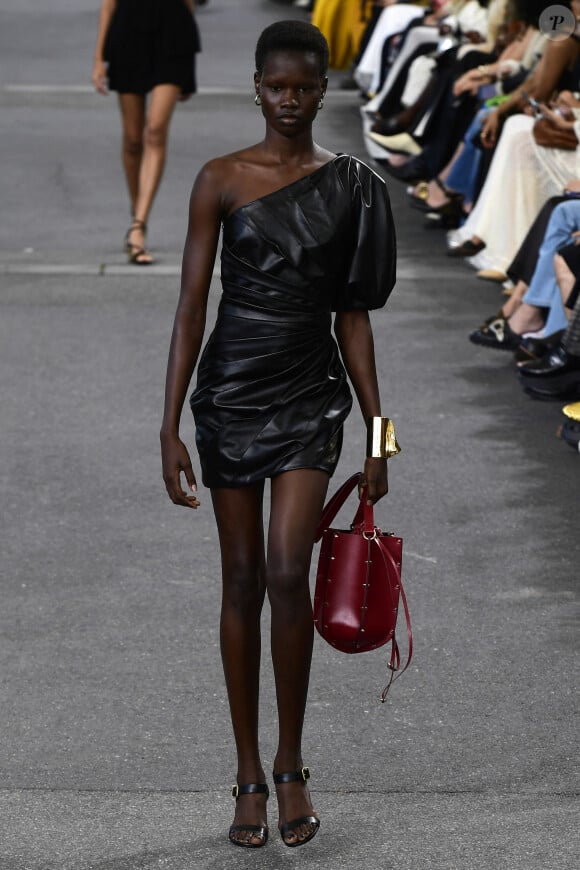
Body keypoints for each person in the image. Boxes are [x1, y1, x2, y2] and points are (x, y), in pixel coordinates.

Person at [160, 19, 397, 849]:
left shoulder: (354, 185)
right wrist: (168, 423)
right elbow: (191, 307)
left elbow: (354, 317)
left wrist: (380, 434)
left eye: (304, 88)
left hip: (309, 395)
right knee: (241, 578)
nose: (289, 101)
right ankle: (248, 774)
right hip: (227, 393)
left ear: (322, 90)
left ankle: (292, 765)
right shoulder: (219, 178)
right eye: (276, 87)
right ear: (255, 86)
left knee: (290, 569)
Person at [92, 0, 200, 265]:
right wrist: (98, 58)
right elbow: (109, 5)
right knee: (132, 139)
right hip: (128, 32)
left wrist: (190, 71)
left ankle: (138, 225)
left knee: (155, 130)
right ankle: (137, 214)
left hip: (173, 32)